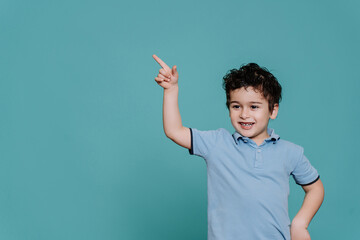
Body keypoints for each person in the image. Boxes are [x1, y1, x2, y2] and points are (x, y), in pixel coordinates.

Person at [152, 54, 324, 240]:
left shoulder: (291, 152)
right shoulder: (217, 143)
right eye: (236, 106)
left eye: (254, 107)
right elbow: (174, 131)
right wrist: (171, 90)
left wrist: (300, 224)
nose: (244, 114)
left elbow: (315, 189)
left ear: (273, 110)